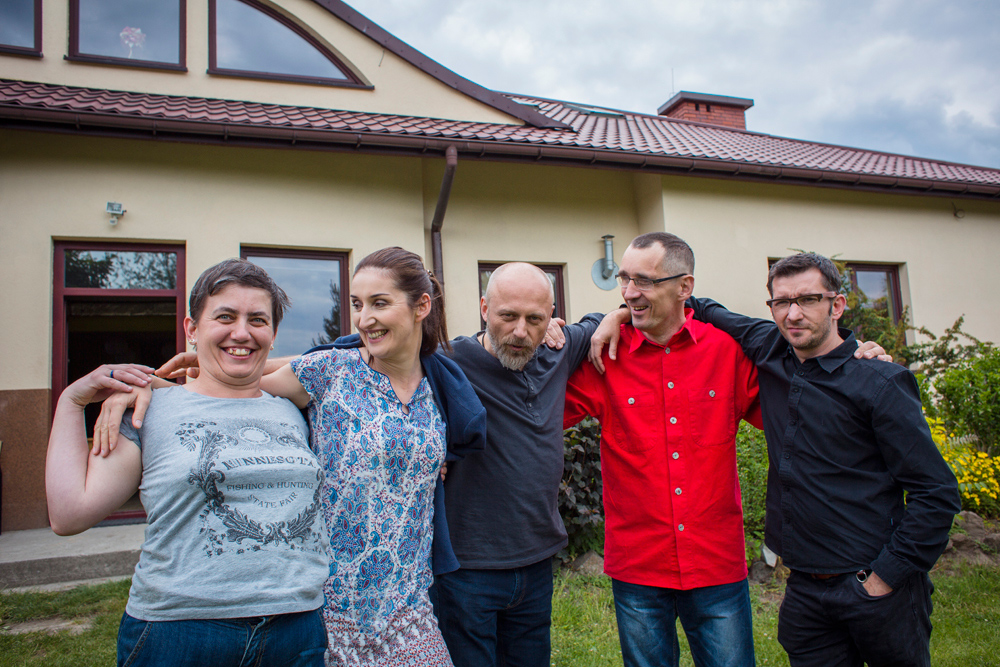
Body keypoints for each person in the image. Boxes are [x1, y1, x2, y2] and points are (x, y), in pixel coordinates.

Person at [101, 248, 488, 667]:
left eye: (379, 303)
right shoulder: (329, 371)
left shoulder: (440, 386)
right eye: (357, 304)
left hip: (409, 608)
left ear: (421, 306)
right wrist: (148, 388)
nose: (364, 319)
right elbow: (233, 389)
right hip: (331, 611)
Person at [46, 258, 330, 667]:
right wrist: (71, 402)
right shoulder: (150, 410)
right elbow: (69, 514)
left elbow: (355, 360)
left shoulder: (297, 408)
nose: (241, 332)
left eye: (258, 320)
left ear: (273, 335)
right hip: (180, 632)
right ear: (192, 329)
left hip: (296, 630)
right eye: (225, 317)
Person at [687, 252, 961, 667]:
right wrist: (616, 317)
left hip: (876, 587)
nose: (793, 313)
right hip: (805, 590)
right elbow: (700, 306)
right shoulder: (769, 347)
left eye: (808, 299)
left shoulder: (879, 382)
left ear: (836, 305)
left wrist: (884, 578)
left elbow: (936, 493)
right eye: (782, 302)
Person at [564, 233, 761, 667]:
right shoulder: (606, 355)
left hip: (715, 562)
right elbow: (536, 413)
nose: (630, 292)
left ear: (684, 286)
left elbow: (797, 413)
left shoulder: (725, 352)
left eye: (645, 281)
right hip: (639, 564)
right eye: (624, 279)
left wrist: (852, 354)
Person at [431, 262, 628, 667]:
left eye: (534, 319)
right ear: (484, 308)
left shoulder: (558, 350)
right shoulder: (446, 361)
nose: (520, 332)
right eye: (508, 316)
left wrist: (619, 314)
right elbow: (375, 353)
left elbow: (601, 318)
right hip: (467, 569)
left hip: (537, 561)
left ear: (552, 316)